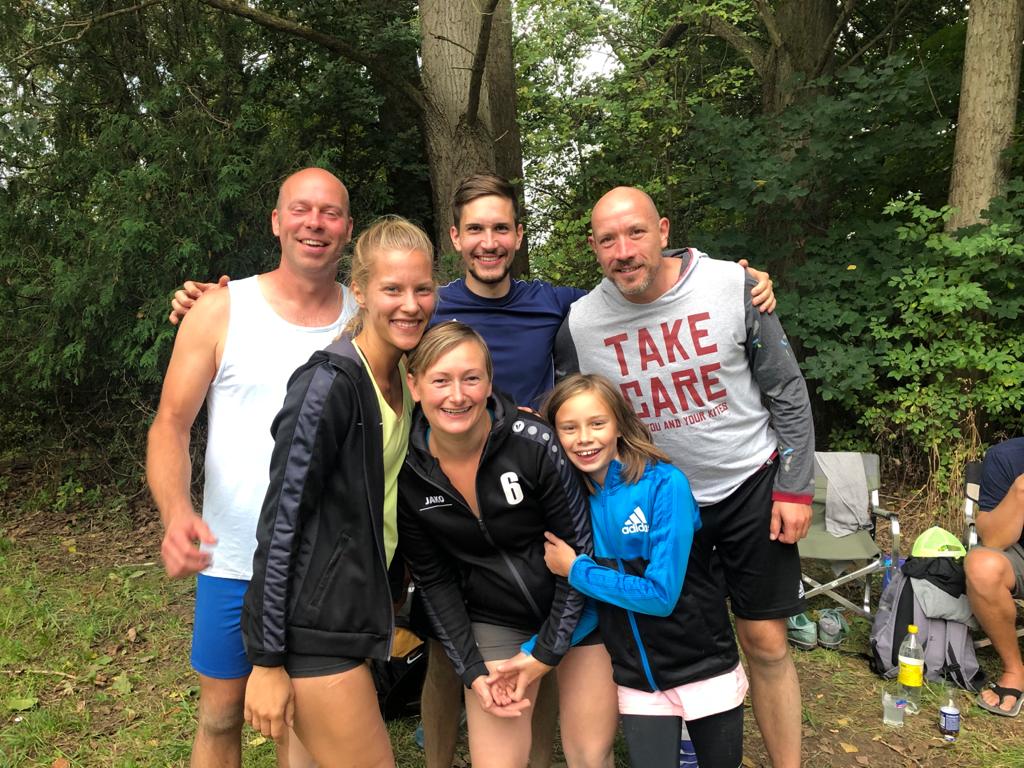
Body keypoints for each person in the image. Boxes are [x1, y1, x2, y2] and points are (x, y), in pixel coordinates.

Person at [555, 186, 814, 768]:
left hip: (747, 486)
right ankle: (684, 738)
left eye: (636, 233)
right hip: (656, 502)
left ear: (664, 231)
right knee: (673, 633)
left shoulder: (732, 286)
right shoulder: (580, 322)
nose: (624, 251)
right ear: (593, 247)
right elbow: (566, 410)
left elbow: (786, 390)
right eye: (608, 240)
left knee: (766, 641)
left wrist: (795, 487)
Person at [146, 167, 356, 767]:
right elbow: (170, 425)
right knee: (220, 716)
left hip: (325, 563)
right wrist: (176, 513)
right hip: (234, 556)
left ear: (347, 229)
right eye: (301, 209)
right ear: (276, 221)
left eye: (331, 212)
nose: (315, 223)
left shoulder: (365, 316)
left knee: (305, 726)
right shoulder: (219, 309)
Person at [241, 216, 436, 765]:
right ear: (360, 292)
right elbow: (281, 523)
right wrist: (266, 660)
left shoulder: (403, 379)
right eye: (392, 289)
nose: (410, 304)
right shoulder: (329, 384)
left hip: (356, 608)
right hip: (316, 625)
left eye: (422, 289)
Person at [397, 321, 619, 768]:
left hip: (577, 608)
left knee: (589, 755)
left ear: (489, 382)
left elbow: (580, 548)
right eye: (440, 381)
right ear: (414, 386)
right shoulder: (408, 472)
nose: (457, 395)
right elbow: (434, 581)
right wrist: (472, 671)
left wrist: (545, 653)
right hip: (495, 617)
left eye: (471, 378)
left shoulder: (533, 442)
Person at [539, 373, 747, 768]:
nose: (584, 438)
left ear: (619, 425)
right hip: (639, 679)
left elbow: (660, 596)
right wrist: (535, 653)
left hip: (703, 667)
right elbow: (593, 606)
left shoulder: (665, 484)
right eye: (569, 428)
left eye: (597, 423)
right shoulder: (573, 502)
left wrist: (577, 570)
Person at [965, 437, 1024, 717]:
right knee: (982, 565)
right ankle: (1014, 670)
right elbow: (992, 539)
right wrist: (1020, 491)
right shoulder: (1006, 457)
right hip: (1019, 555)